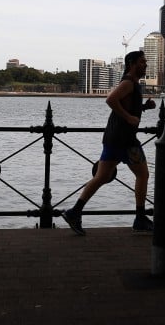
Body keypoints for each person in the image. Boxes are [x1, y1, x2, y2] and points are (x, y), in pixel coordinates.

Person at [62, 49, 157, 236]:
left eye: (145, 62)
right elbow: (111, 100)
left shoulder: (132, 84)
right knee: (143, 175)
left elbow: (125, 104)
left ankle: (75, 212)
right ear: (131, 64)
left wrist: (143, 108)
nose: (145, 65)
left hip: (114, 138)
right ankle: (139, 218)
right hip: (125, 140)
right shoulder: (129, 83)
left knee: (102, 177)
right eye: (142, 62)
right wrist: (129, 117)